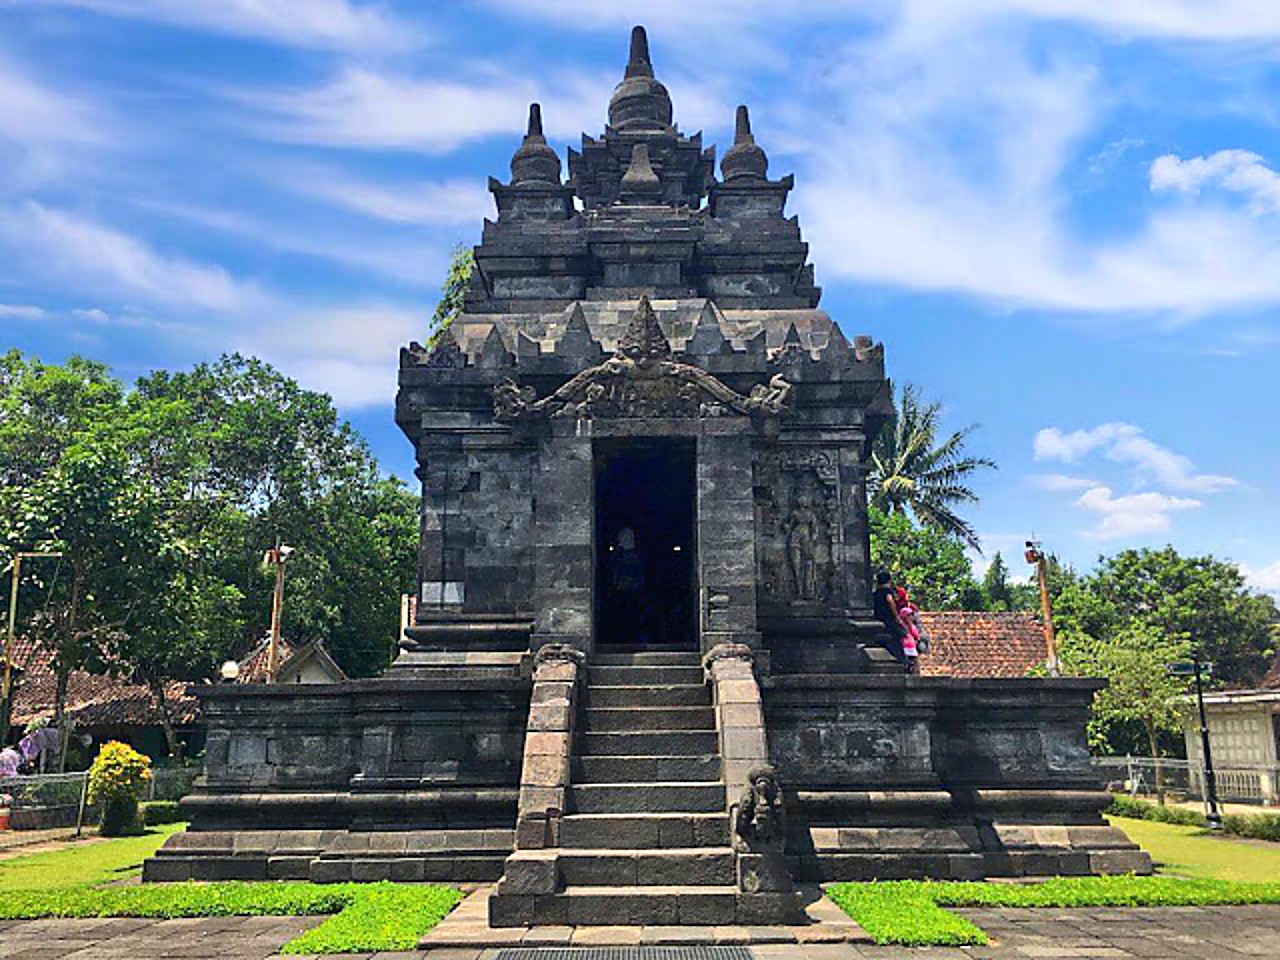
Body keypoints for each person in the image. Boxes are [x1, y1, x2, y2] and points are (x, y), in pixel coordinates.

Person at [871, 568, 908, 667]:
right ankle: (903, 661)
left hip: (878, 618)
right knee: (897, 638)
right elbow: (890, 600)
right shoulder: (887, 591)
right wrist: (896, 616)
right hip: (888, 618)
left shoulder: (875, 593)